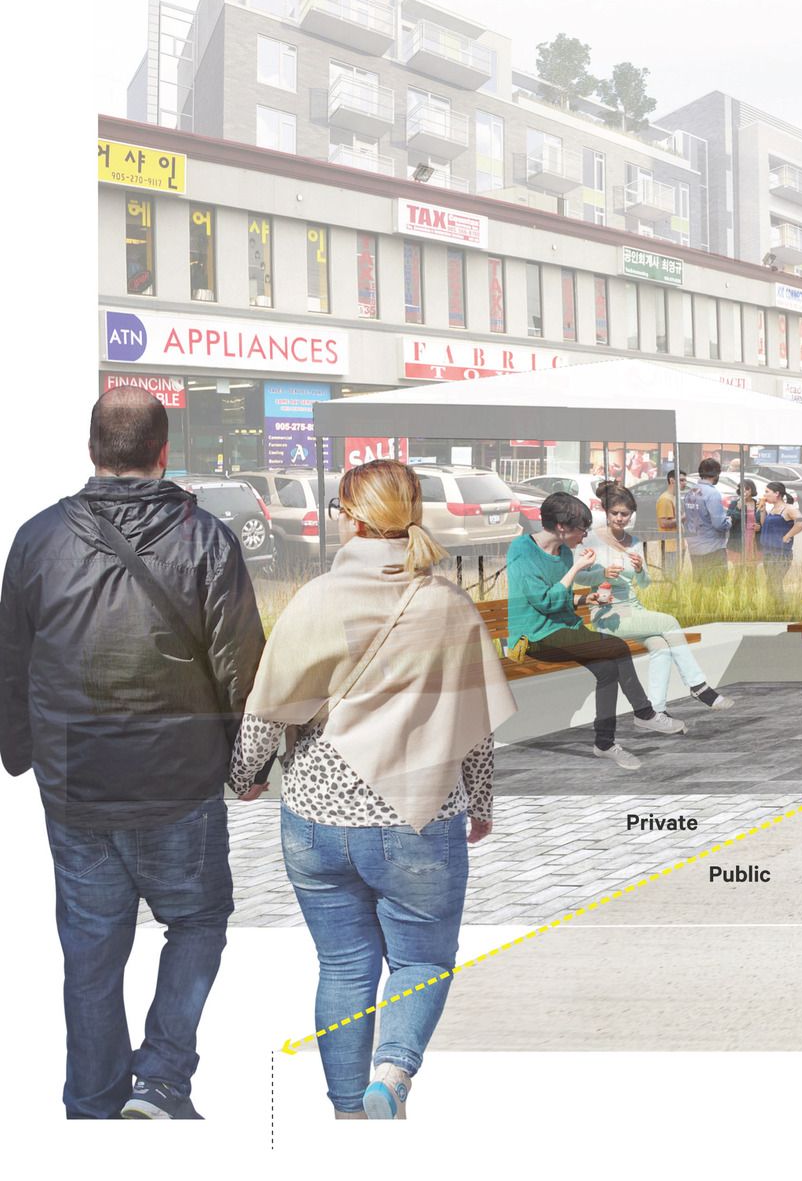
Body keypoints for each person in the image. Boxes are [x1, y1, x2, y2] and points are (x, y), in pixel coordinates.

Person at [1, 387, 264, 1120]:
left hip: (75, 780)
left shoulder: (36, 538)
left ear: (91, 449)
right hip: (178, 777)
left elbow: (11, 658)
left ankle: (91, 1104)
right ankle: (161, 1076)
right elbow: (243, 663)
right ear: (162, 451)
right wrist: (250, 765)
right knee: (201, 918)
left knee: (89, 951)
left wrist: (20, 753)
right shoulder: (207, 537)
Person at [232, 458, 512, 1120]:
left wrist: (245, 775)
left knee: (343, 967)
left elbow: (268, 706)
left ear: (354, 517)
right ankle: (390, 1073)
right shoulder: (448, 604)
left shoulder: (317, 599)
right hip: (418, 819)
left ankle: (345, 1116)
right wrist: (481, 802)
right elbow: (473, 728)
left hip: (316, 819)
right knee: (420, 963)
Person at [503, 493, 683, 768]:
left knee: (608, 668)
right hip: (532, 638)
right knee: (616, 647)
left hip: (563, 629)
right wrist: (576, 568)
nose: (585, 535)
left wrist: (585, 599)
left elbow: (560, 598)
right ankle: (644, 714)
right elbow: (544, 602)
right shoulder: (522, 551)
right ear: (562, 527)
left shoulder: (562, 551)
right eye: (581, 529)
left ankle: (605, 743)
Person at [586, 484, 731, 716]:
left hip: (634, 610)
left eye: (625, 514)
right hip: (608, 614)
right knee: (669, 622)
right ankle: (698, 686)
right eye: (615, 513)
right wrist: (601, 574)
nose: (620, 518)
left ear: (632, 514)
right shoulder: (592, 540)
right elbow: (579, 578)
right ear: (606, 512)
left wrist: (641, 569)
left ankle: (656, 710)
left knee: (661, 646)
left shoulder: (633, 542)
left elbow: (644, 584)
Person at [678, 458, 732, 581]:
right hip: (712, 547)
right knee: (716, 587)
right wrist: (729, 521)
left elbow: (688, 517)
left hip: (694, 546)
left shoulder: (691, 492)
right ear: (716, 474)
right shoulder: (712, 494)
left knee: (700, 585)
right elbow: (719, 524)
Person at [756, 481, 800, 564]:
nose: (764, 495)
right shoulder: (773, 509)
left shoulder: (788, 508)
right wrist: (762, 511)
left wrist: (787, 536)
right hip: (768, 551)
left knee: (776, 576)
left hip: (780, 553)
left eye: (767, 492)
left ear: (776, 493)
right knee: (770, 577)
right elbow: (764, 525)